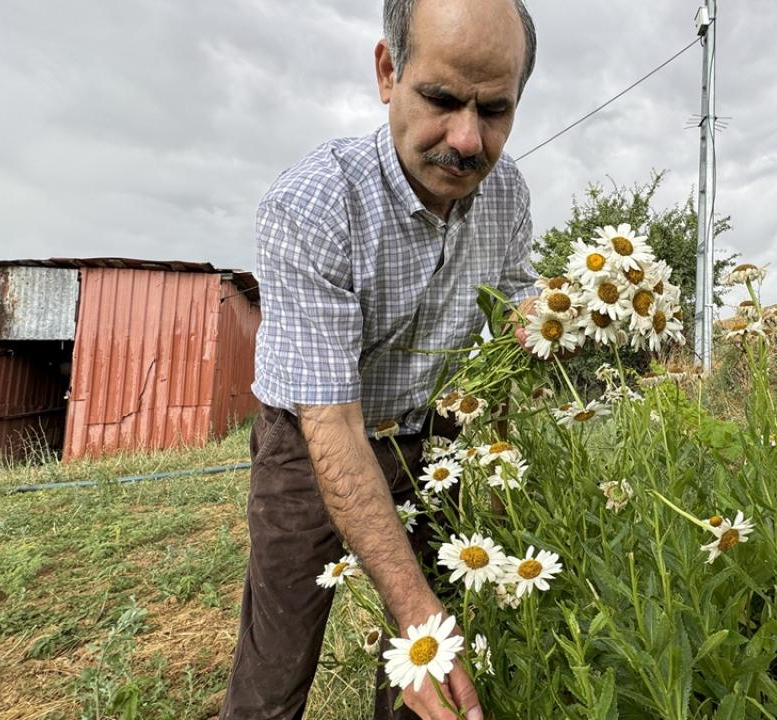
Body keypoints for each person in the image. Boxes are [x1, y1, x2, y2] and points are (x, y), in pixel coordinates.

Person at [220, 1, 538, 718]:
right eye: (442, 99)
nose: (466, 139)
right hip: (309, 440)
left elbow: (515, 293)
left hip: (434, 440)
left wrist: (550, 316)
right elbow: (329, 417)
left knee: (431, 658)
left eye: (494, 110)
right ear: (389, 72)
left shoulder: (507, 190)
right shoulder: (314, 205)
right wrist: (410, 606)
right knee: (278, 657)